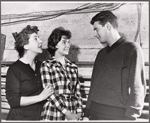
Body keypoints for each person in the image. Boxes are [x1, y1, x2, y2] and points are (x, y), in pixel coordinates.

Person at [83, 10, 147, 120]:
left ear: (108, 26)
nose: (95, 34)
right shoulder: (101, 54)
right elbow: (94, 85)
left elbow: (138, 86)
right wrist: (87, 112)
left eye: (96, 29)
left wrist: (131, 116)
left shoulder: (132, 49)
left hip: (117, 114)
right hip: (94, 112)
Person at [6, 25, 53, 120]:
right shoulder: (15, 69)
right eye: (36, 39)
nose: (41, 41)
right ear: (25, 45)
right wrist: (40, 97)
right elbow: (13, 100)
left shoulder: (42, 66)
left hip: (39, 117)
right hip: (19, 118)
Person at [40, 27, 83, 121]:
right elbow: (50, 94)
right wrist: (67, 113)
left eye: (68, 42)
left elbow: (77, 92)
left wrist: (79, 113)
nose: (68, 45)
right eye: (64, 42)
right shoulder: (47, 65)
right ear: (55, 44)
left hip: (72, 111)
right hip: (54, 112)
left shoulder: (73, 67)